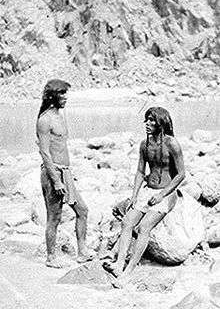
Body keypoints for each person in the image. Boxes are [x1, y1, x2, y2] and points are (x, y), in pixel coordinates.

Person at [103, 106, 185, 286]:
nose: (147, 123)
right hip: (148, 191)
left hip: (166, 193)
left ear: (161, 123)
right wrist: (134, 195)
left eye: (152, 120)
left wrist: (162, 195)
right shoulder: (144, 144)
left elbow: (181, 174)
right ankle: (118, 264)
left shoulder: (172, 144)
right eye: (146, 119)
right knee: (126, 222)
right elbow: (140, 171)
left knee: (143, 228)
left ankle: (129, 271)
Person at [36, 79, 94, 268]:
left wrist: (67, 176)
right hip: (53, 174)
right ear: (53, 96)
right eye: (62, 94)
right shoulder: (44, 120)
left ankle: (82, 251)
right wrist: (56, 180)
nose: (66, 98)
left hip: (65, 172)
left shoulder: (60, 116)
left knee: (82, 210)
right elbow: (44, 152)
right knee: (54, 217)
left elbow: (60, 147)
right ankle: (51, 257)